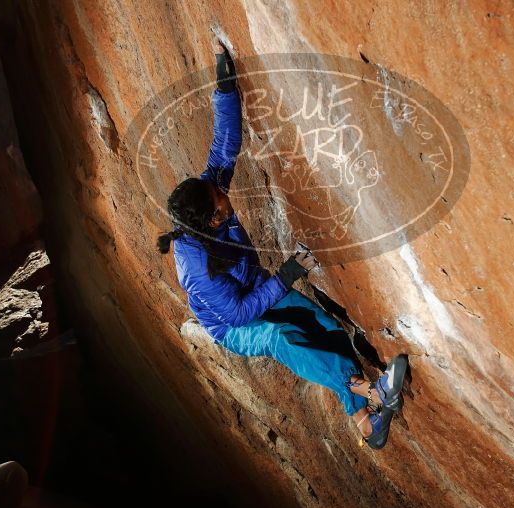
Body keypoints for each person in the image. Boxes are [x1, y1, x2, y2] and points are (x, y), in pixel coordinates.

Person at [156, 34, 408, 449]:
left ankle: (366, 423)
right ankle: (373, 393)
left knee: (320, 325)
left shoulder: (206, 202)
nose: (224, 190)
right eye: (222, 198)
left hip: (254, 288)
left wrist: (223, 85)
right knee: (279, 338)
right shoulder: (197, 268)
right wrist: (287, 275)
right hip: (231, 326)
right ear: (214, 218)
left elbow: (224, 144)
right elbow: (237, 315)